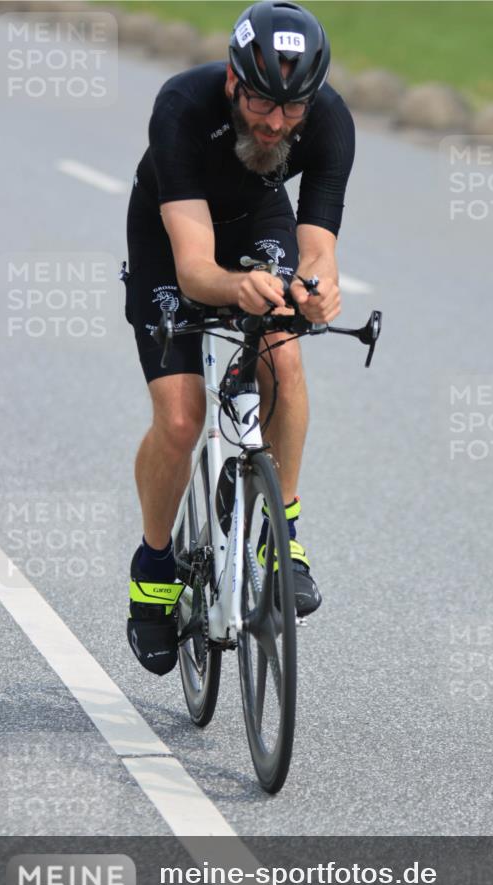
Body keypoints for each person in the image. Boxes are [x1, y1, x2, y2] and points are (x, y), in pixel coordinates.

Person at [123, 0, 355, 676]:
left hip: (257, 218)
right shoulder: (183, 106)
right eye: (262, 104)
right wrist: (236, 287)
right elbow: (196, 269)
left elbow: (317, 248)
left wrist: (317, 293)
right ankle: (155, 566)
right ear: (233, 79)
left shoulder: (330, 119)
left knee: (286, 355)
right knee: (181, 416)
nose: (276, 122)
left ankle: (282, 537)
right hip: (173, 235)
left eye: (293, 109)